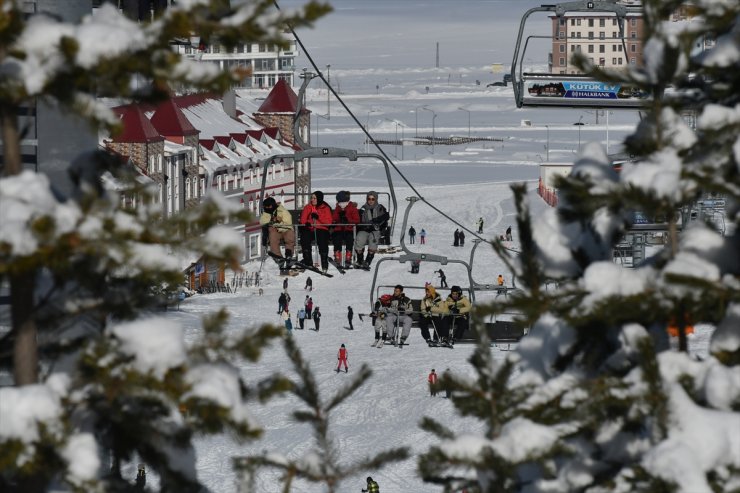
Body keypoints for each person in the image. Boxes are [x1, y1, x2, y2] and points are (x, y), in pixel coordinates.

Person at [299, 191, 333, 272]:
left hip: (322, 228)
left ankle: (324, 263)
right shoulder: (308, 207)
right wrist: (306, 223)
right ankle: (308, 261)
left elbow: (328, 222)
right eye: (312, 198)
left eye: (314, 198)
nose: (312, 200)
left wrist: (318, 217)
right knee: (305, 237)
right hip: (310, 228)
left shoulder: (325, 208)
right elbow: (303, 219)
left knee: (322, 239)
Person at [260, 197, 296, 273]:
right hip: (276, 231)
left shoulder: (282, 210)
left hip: (285, 229)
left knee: (290, 236)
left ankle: (289, 253)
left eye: (269, 206)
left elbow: (288, 222)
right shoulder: (266, 213)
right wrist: (272, 220)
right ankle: (279, 257)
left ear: (272, 205)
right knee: (273, 237)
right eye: (266, 207)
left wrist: (278, 223)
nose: (267, 208)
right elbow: (262, 221)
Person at [354, 191, 389, 269]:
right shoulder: (363, 208)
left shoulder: (380, 208)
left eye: (373, 199)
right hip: (365, 228)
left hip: (375, 229)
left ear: (375, 199)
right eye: (369, 199)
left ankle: (368, 260)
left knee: (373, 239)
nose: (370, 201)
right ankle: (360, 259)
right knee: (360, 238)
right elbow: (358, 217)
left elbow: (385, 216)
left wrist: (377, 221)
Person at [331, 190, 361, 268]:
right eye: (339, 202)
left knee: (349, 239)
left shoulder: (352, 208)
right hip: (339, 229)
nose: (341, 204)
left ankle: (348, 255)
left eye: (342, 201)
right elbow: (333, 219)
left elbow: (357, 220)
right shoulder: (338, 208)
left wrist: (348, 220)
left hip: (349, 229)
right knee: (337, 238)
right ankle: (337, 255)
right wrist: (338, 218)